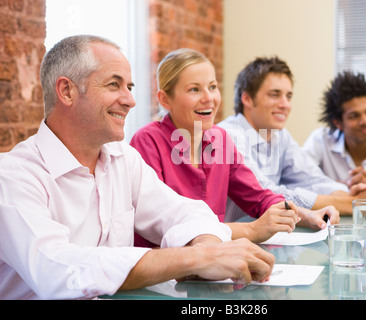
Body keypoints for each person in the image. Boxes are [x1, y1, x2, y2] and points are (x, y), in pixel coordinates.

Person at [0, 36, 278, 300]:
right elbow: (57, 269)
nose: (130, 100)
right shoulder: (13, 176)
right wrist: (196, 258)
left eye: (129, 88)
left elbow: (184, 211)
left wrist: (205, 246)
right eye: (113, 85)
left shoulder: (122, 158)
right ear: (67, 91)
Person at [130, 49, 339, 247]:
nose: (209, 98)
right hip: (164, 274)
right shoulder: (148, 141)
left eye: (212, 87)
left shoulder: (219, 139)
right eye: (194, 89)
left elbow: (258, 196)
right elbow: (169, 227)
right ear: (165, 99)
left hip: (213, 263)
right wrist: (253, 230)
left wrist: (305, 215)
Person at [218, 57, 366, 219]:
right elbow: (268, 196)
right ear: (247, 98)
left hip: (266, 238)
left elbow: (314, 179)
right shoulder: (229, 136)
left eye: (289, 96)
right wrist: (355, 204)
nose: (285, 104)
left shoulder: (280, 136)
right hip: (229, 242)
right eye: (274, 94)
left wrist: (347, 195)